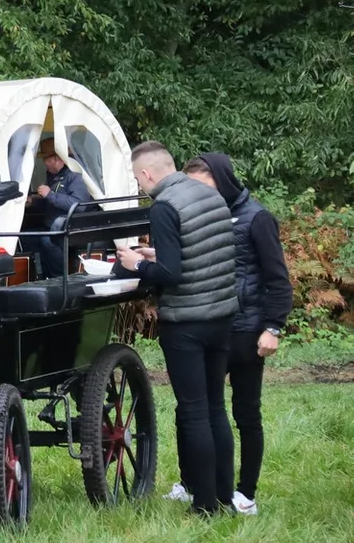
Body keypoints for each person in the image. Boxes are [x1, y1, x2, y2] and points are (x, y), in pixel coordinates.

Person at [160, 152, 293, 515]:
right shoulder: (200, 213)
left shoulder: (257, 217)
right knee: (194, 409)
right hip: (212, 323)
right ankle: (193, 483)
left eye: (201, 186)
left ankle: (244, 492)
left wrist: (273, 327)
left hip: (247, 329)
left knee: (245, 413)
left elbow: (277, 278)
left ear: (222, 180)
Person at [113, 141, 240, 516]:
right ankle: (223, 497)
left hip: (188, 322)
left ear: (148, 174)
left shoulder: (164, 207)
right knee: (217, 407)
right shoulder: (211, 195)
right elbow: (198, 252)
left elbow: (172, 274)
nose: (139, 185)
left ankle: (203, 506)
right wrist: (158, 256)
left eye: (138, 179)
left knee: (195, 410)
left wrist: (136, 263)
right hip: (222, 316)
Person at [23, 136, 92, 278]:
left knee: (47, 241)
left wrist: (50, 195)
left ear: (57, 159)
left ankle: (60, 278)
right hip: (53, 226)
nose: (44, 163)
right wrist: (33, 202)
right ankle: (40, 276)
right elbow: (50, 205)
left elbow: (79, 205)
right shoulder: (53, 176)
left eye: (46, 159)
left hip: (71, 228)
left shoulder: (75, 175)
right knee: (25, 238)